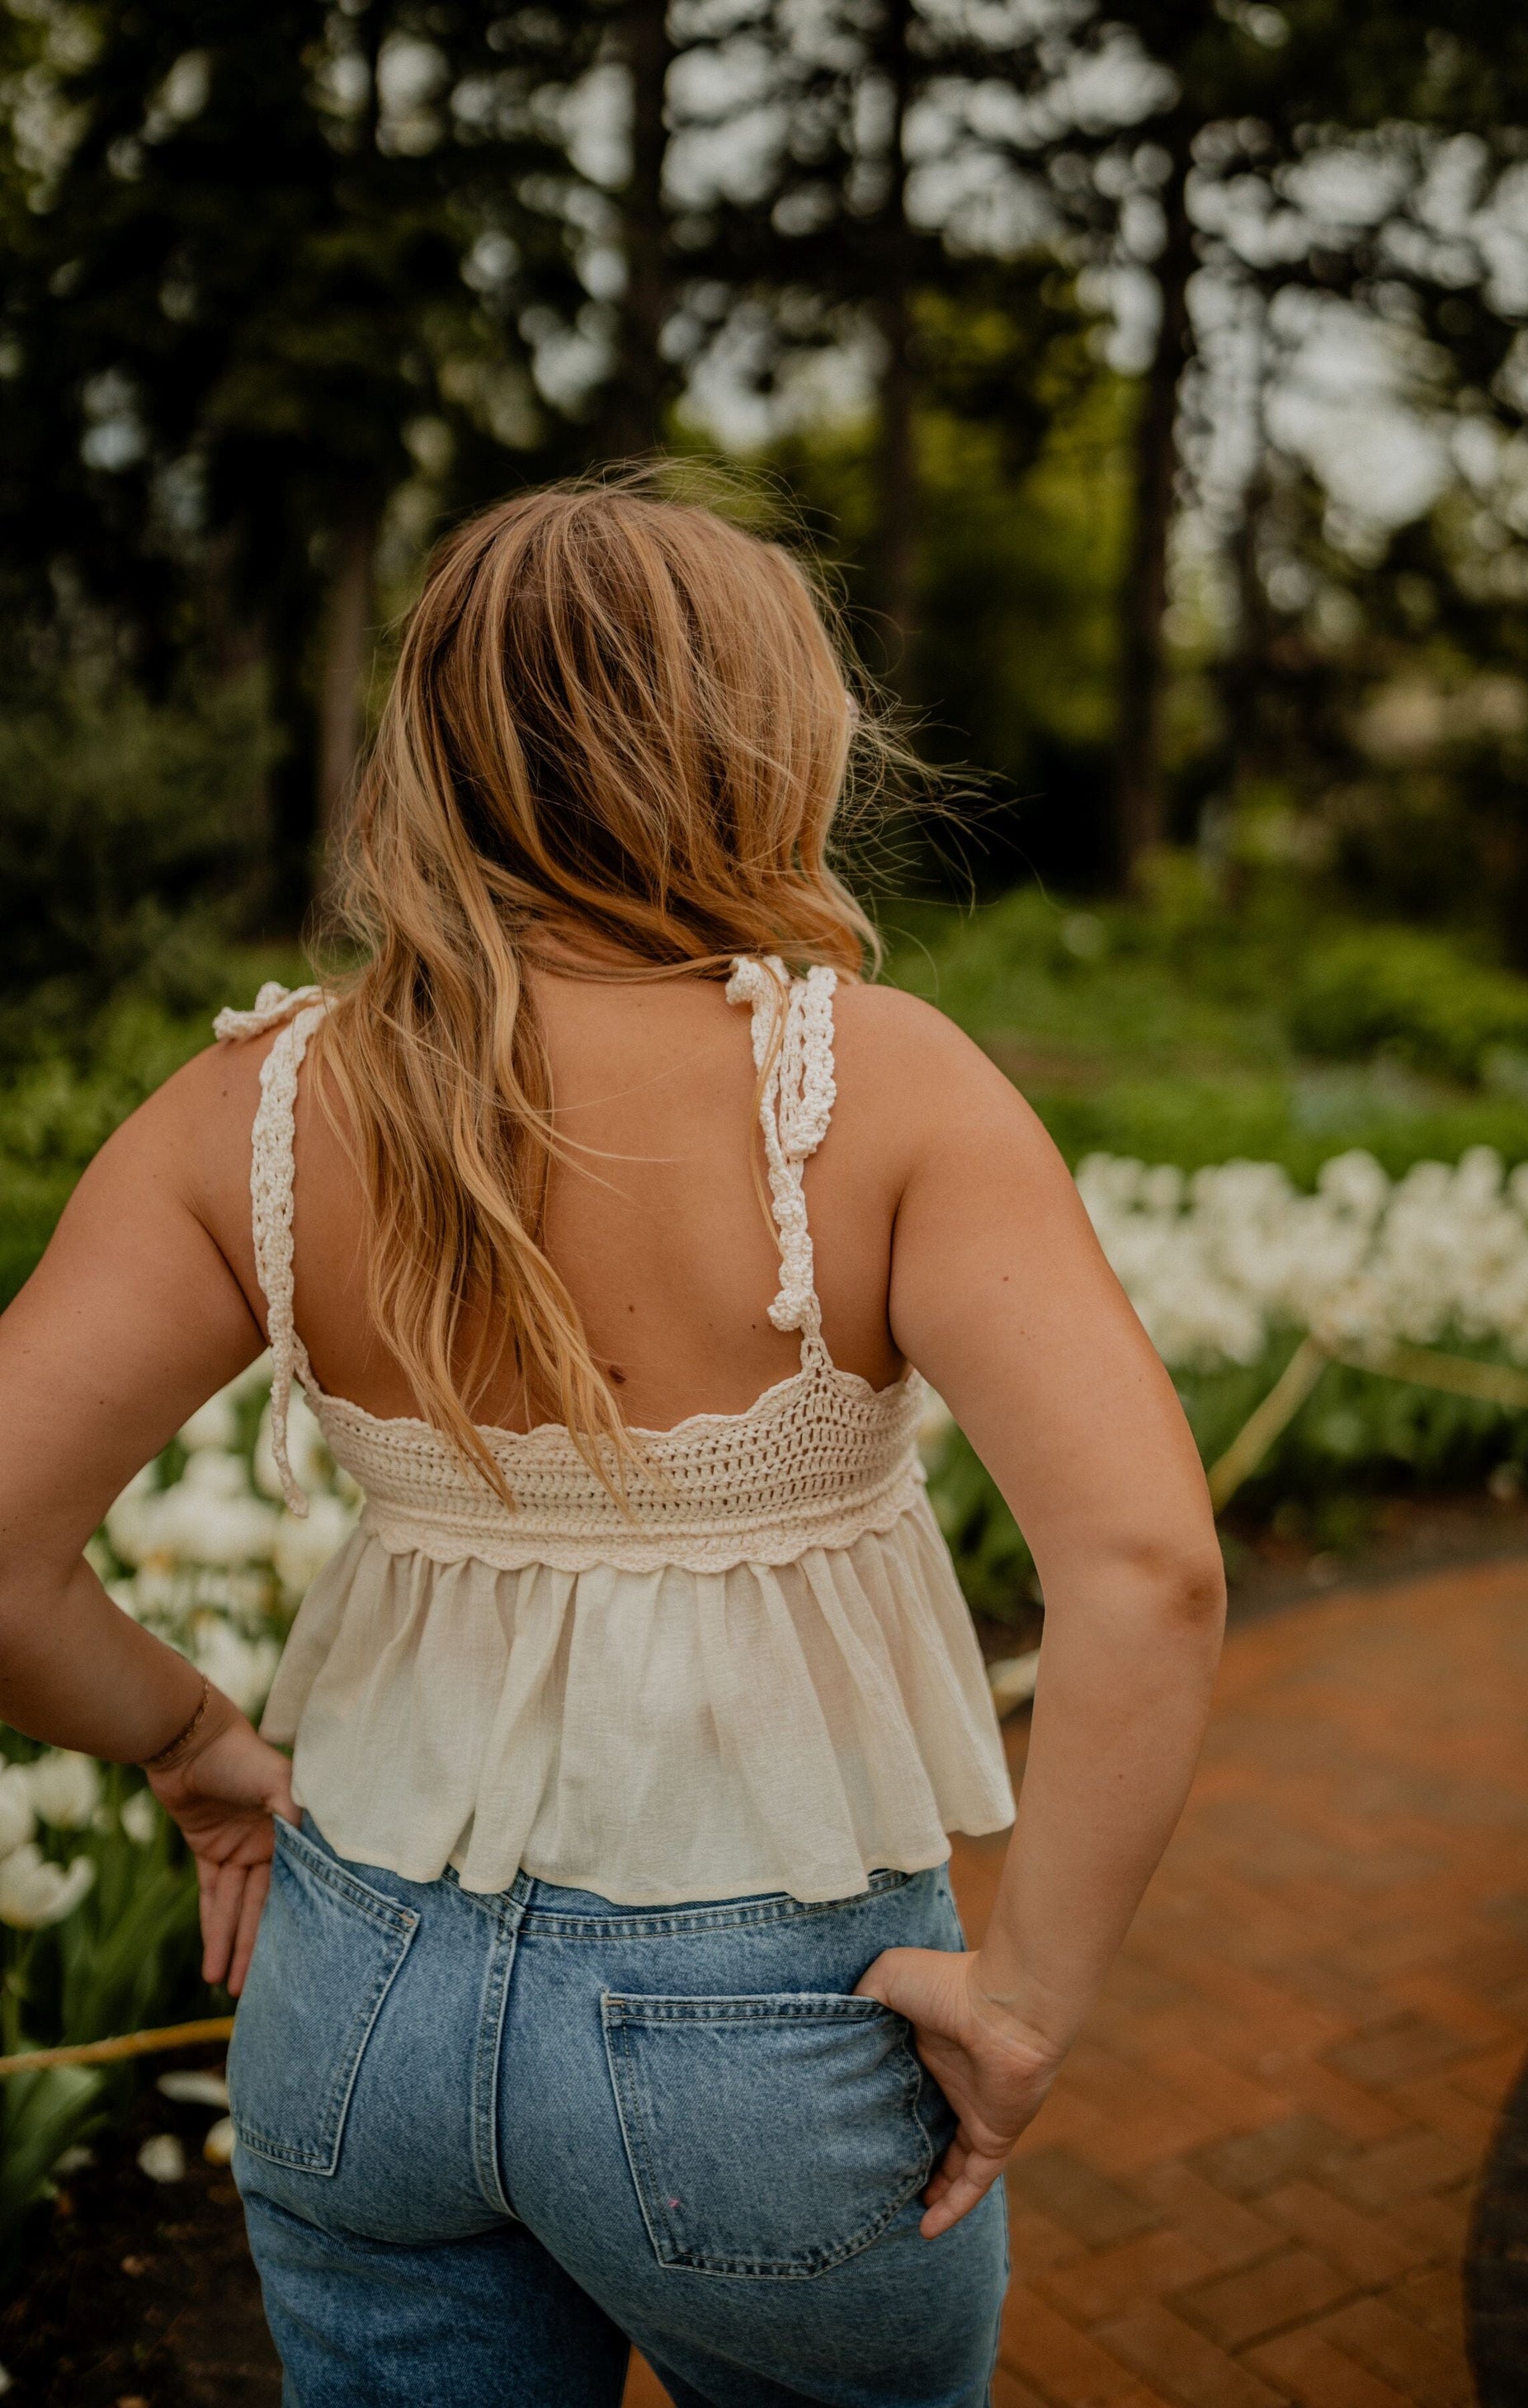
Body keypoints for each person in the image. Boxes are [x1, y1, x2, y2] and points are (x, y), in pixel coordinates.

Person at [0, 478, 1225, 2408]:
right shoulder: (879, 1089)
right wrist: (1025, 2003)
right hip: (771, 2032)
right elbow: (1149, 1568)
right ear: (768, 741)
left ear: (435, 756)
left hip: (351, 1995)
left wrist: (188, 1736)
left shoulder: (254, 1108)